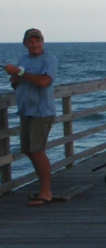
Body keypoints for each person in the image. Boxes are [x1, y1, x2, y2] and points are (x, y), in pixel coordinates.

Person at [2, 29, 58, 207]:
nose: (35, 44)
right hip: (25, 111)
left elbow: (44, 82)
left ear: (43, 41)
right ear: (25, 43)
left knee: (37, 150)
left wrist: (18, 73)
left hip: (41, 112)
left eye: (38, 41)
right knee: (28, 150)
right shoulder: (24, 60)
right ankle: (43, 188)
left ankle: (46, 191)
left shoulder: (49, 59)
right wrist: (14, 75)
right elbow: (15, 82)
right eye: (31, 41)